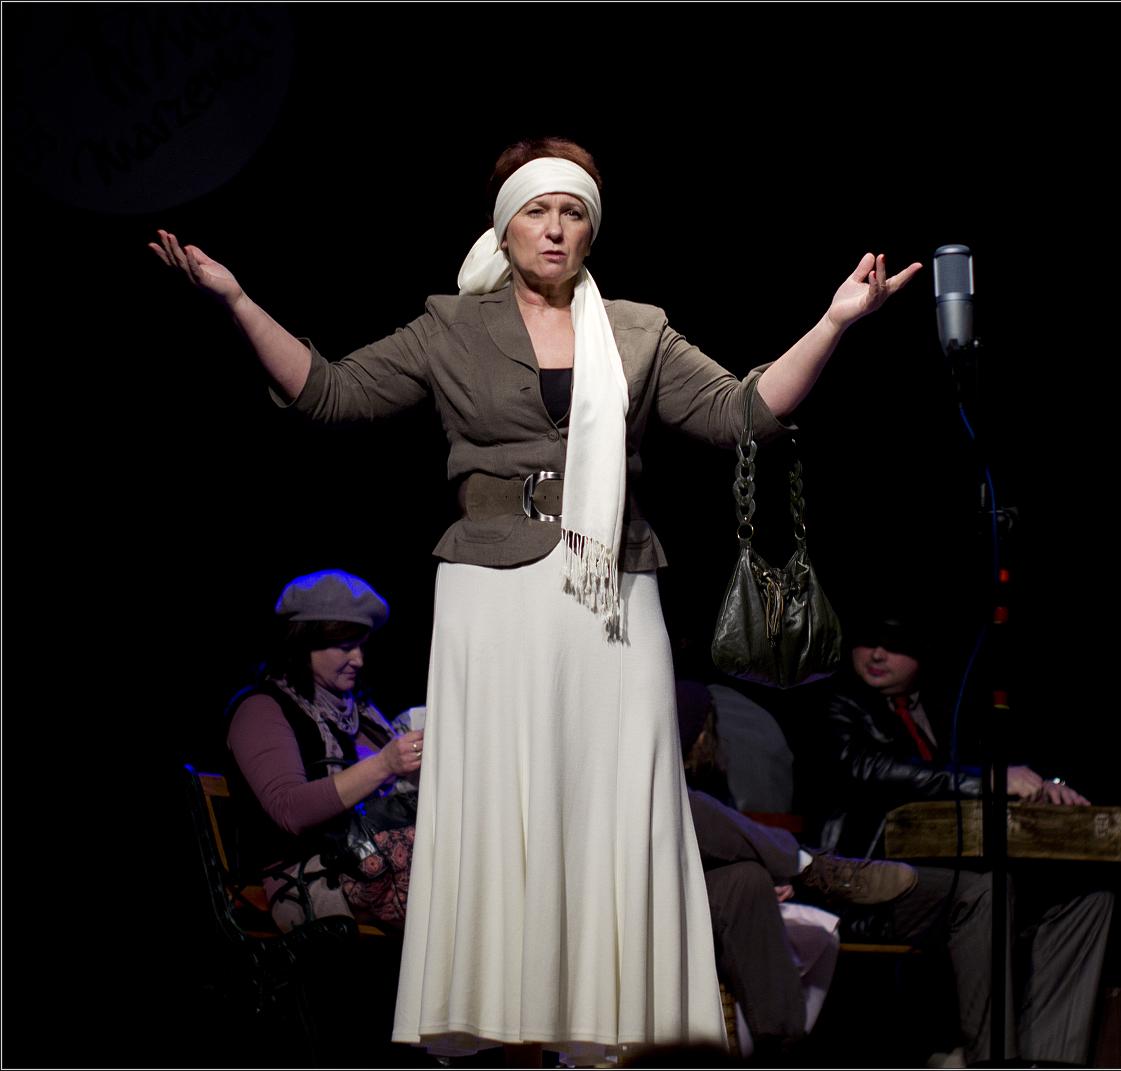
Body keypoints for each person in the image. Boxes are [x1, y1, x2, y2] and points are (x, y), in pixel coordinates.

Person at [151, 137, 920, 1058]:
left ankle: (612, 1028)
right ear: (504, 226)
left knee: (620, 797)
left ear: (591, 230)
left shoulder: (637, 329)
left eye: (573, 213)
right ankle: (498, 1019)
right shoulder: (451, 326)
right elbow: (332, 393)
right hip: (493, 590)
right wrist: (237, 299)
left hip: (611, 591)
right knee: (502, 798)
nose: (555, 229)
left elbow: (741, 413)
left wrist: (834, 321)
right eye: (537, 211)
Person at [807, 614, 1115, 1066]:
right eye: (868, 641)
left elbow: (999, 767)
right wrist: (986, 780)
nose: (877, 654)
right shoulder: (836, 701)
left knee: (1087, 901)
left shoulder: (944, 706)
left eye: (894, 644)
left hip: (948, 881)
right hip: (866, 884)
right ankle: (991, 1059)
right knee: (985, 892)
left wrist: (1044, 787)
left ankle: (1048, 1059)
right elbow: (867, 768)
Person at [677, 680, 916, 1060]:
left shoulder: (707, 780)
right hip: (613, 885)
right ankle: (809, 865)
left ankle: (783, 1050)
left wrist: (757, 866)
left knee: (747, 880)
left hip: (672, 883)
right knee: (680, 804)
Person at [226, 569, 424, 934]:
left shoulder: (362, 714)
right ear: (303, 644)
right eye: (345, 646)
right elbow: (289, 809)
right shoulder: (263, 709)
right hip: (311, 875)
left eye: (361, 645)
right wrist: (384, 764)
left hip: (375, 860)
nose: (359, 659)